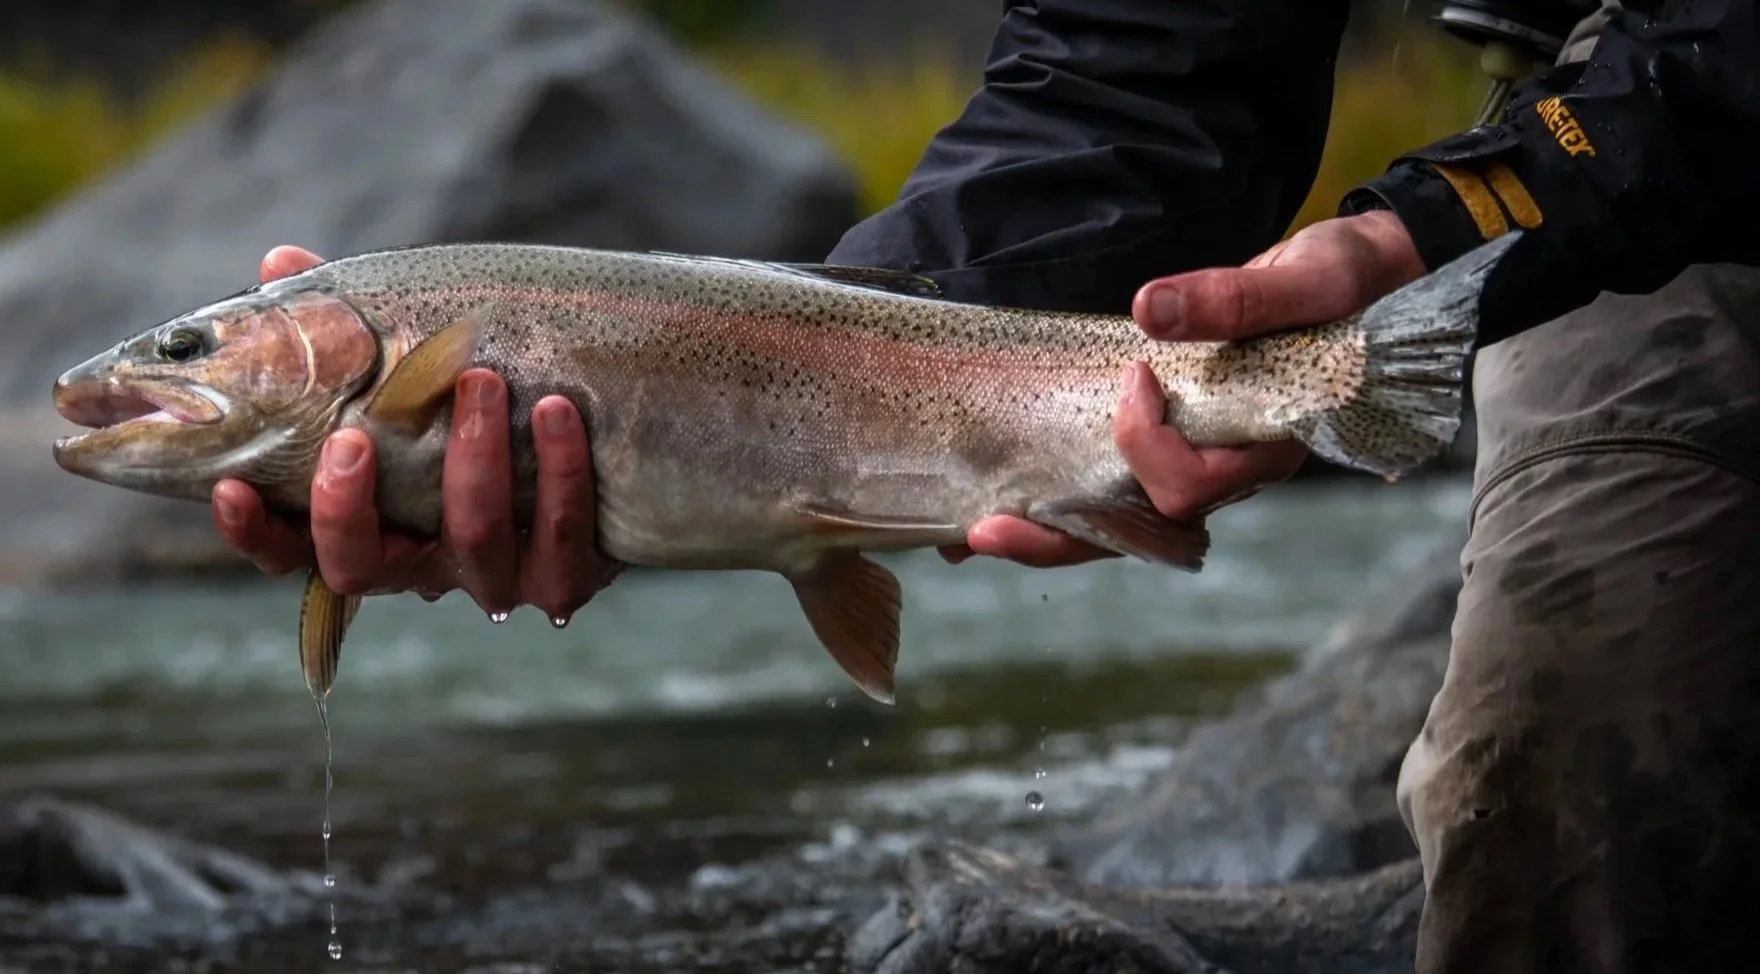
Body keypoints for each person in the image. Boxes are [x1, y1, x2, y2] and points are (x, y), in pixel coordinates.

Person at [211, 1, 1759, 969]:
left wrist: (1460, 210)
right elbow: (1138, 80)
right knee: (1566, 775)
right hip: (1623, 190)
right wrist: (742, 401)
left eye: (193, 346)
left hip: (1628, 139)